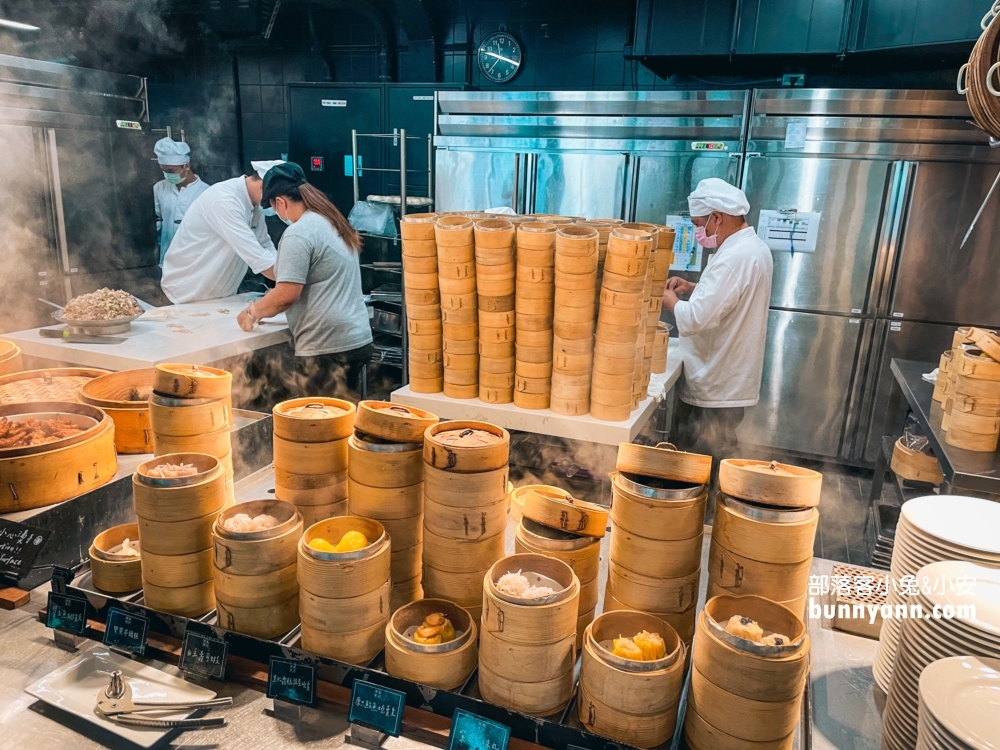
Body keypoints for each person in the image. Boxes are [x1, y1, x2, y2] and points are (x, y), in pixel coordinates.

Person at [662, 178, 773, 474]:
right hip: (729, 378)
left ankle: (699, 516)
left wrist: (669, 299)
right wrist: (693, 287)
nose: (700, 232)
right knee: (716, 456)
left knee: (697, 466)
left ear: (717, 217)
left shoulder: (733, 258)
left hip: (717, 382)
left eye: (700, 224)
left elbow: (696, 318)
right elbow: (729, 297)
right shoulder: (753, 248)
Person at [237, 162, 372, 401]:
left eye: (273, 207)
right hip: (354, 338)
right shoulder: (331, 221)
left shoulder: (299, 233)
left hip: (326, 347)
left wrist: (252, 311)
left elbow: (286, 295)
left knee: (321, 428)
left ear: (280, 202)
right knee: (343, 421)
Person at [160, 160, 283, 304]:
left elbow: (264, 244)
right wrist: (294, 281)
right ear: (263, 187)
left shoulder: (254, 203)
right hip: (185, 292)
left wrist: (286, 269)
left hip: (219, 294)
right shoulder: (224, 201)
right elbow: (258, 258)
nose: (275, 206)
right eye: (275, 200)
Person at [152, 138, 209, 265]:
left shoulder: (206, 192)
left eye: (171, 171)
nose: (167, 175)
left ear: (186, 166)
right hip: (167, 257)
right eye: (164, 171)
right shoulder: (159, 188)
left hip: (195, 261)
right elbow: (155, 220)